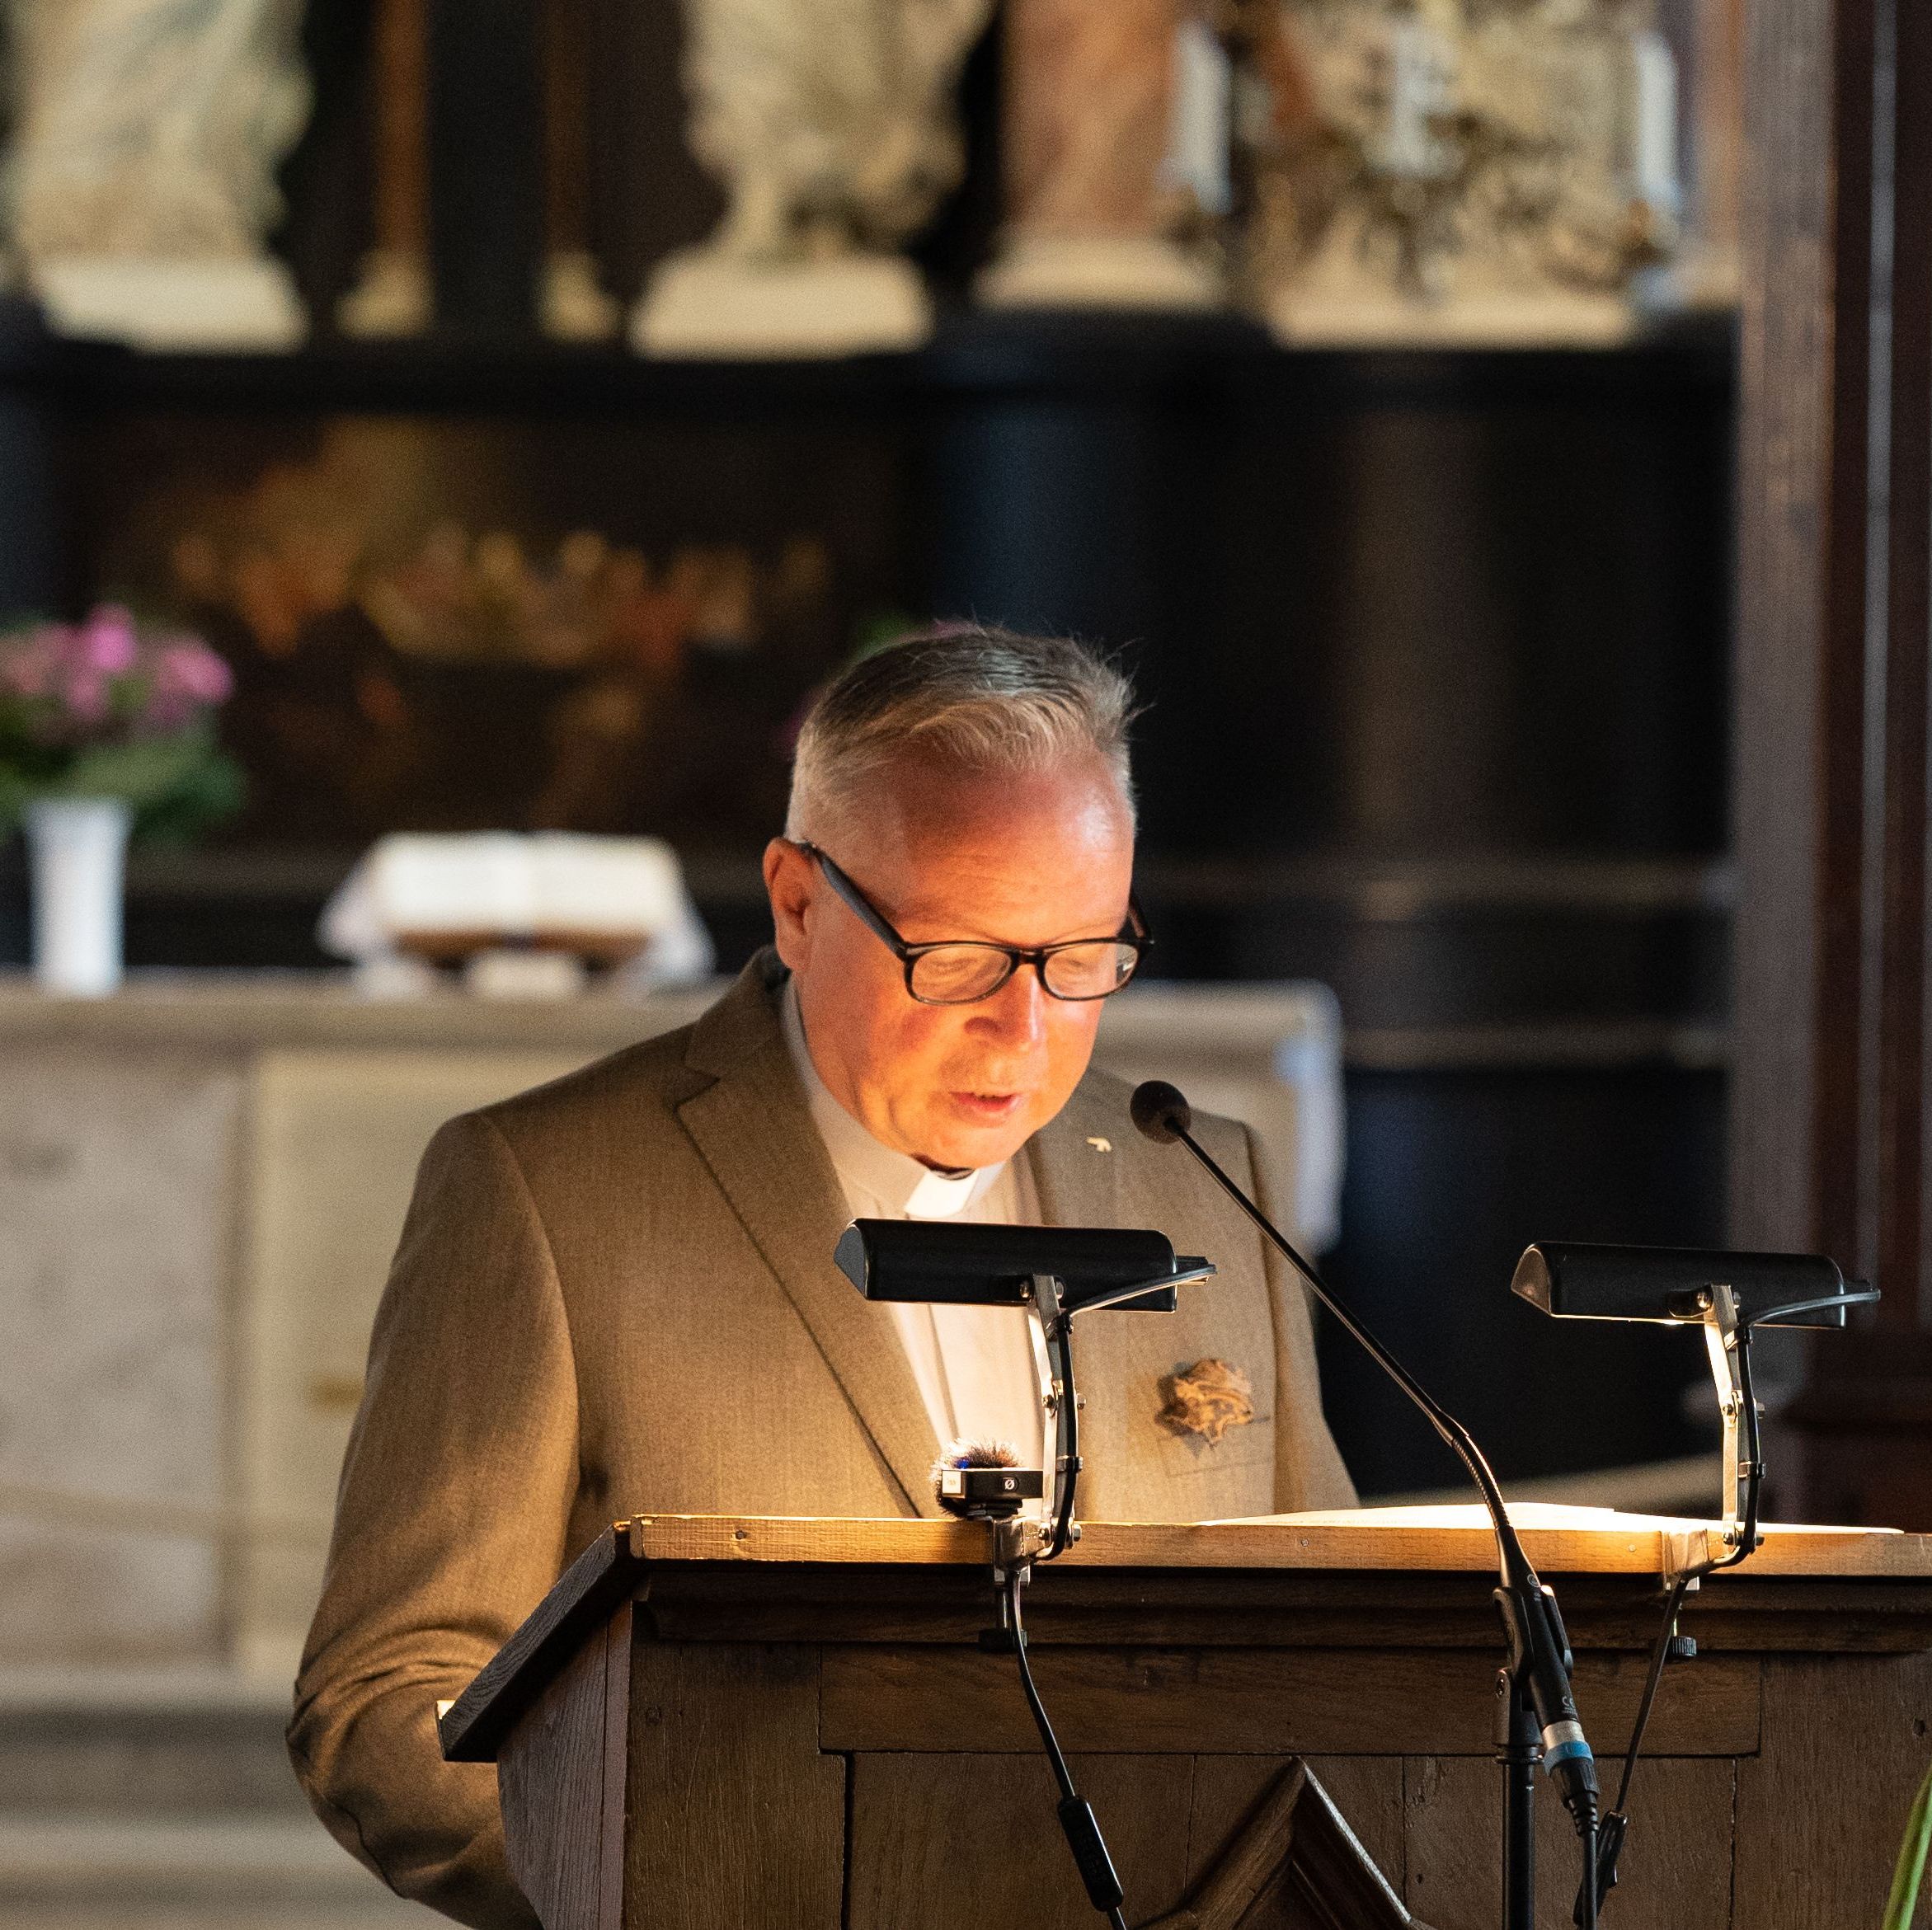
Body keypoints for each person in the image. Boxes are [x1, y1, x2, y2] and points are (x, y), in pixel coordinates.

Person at [288, 627, 1356, 1928]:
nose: (1023, 1028)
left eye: (1083, 958)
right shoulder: (545, 1189)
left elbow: (1339, 1634)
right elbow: (390, 1698)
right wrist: (694, 1890)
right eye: (959, 955)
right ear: (798, 902)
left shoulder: (1197, 1175)